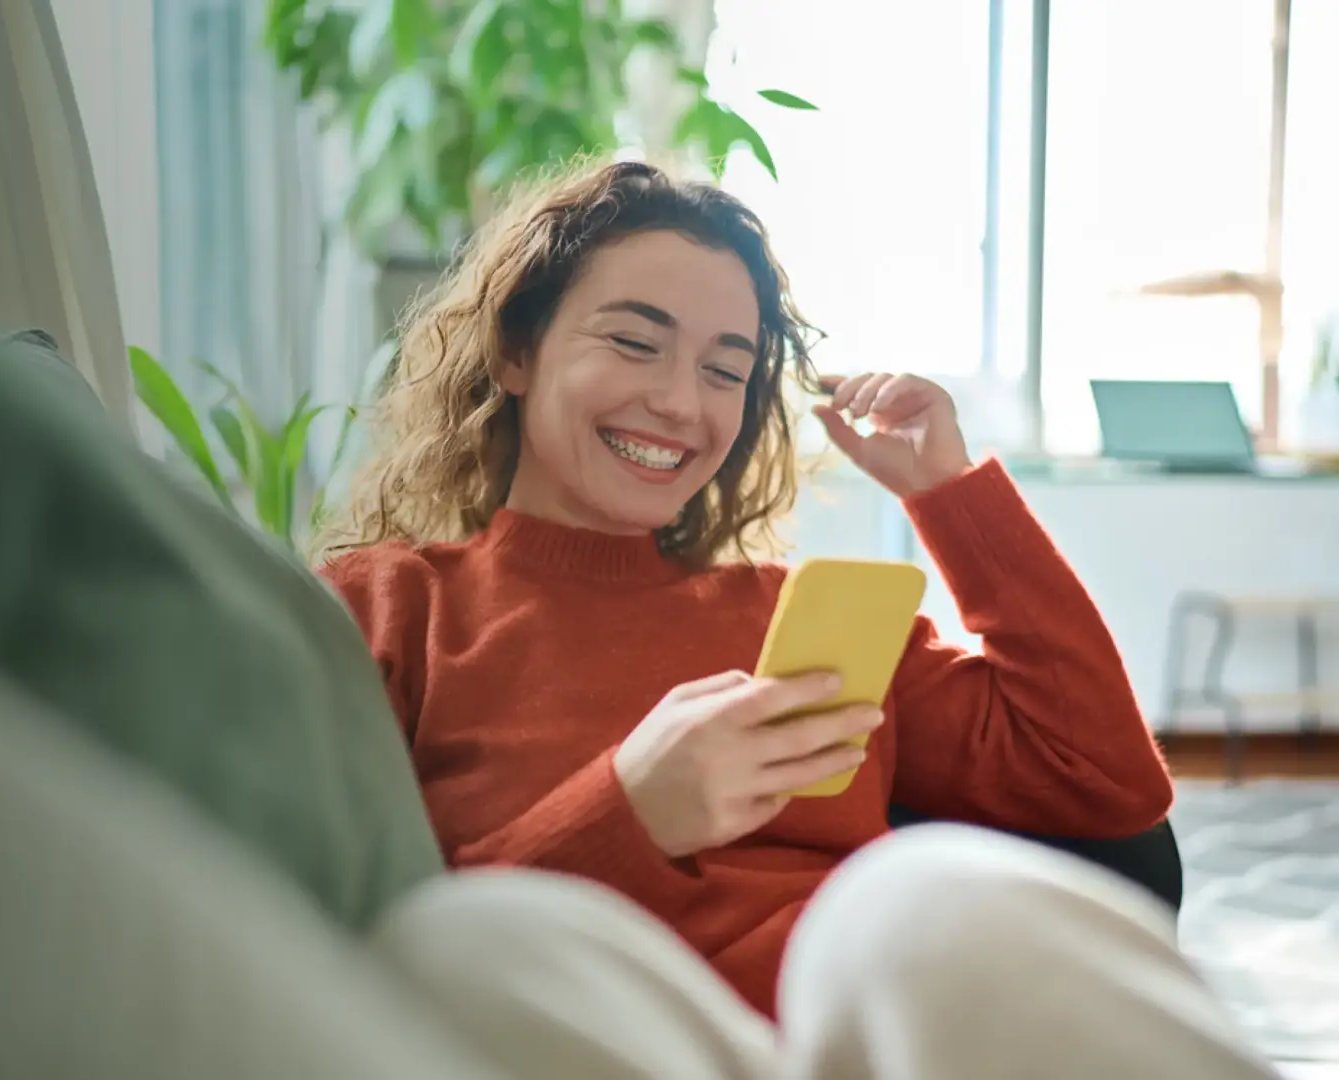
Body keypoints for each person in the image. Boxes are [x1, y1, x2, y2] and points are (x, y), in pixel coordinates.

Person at [314, 159, 1274, 1075]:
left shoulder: (798, 620)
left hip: (851, 1046)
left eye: (725, 371)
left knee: (912, 895)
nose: (678, 402)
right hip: (599, 1045)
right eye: (634, 342)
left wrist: (949, 495)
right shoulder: (388, 607)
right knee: (463, 939)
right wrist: (627, 815)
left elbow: (1105, 784)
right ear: (517, 351)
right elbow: (359, 952)